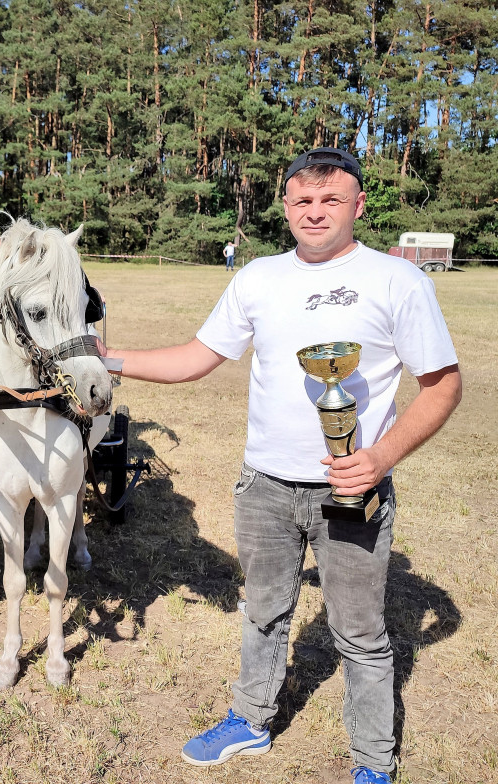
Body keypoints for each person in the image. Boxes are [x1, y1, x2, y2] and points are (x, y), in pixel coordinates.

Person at [102, 147, 461, 784]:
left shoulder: (397, 280)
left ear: (358, 204)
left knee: (359, 633)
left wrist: (377, 459)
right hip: (263, 486)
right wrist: (108, 359)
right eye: (302, 200)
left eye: (330, 200)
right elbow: (194, 358)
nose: (315, 212)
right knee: (263, 610)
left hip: (350, 489)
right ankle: (250, 719)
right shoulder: (257, 278)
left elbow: (443, 385)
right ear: (286, 207)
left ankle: (373, 760)